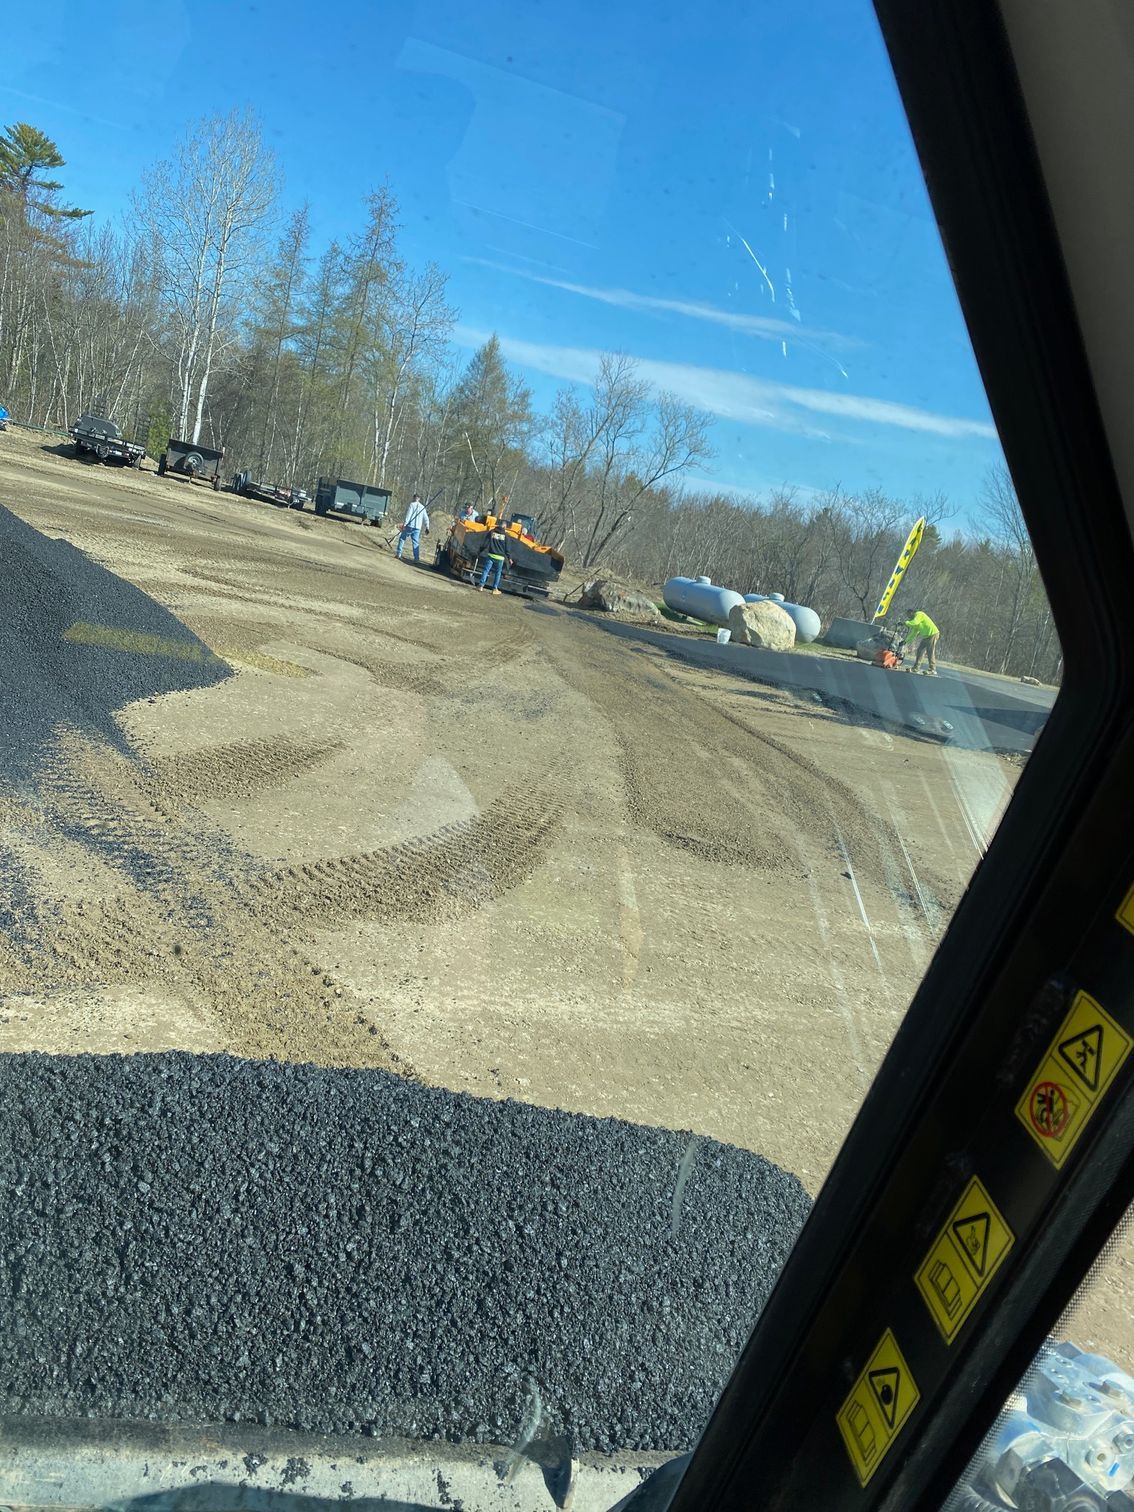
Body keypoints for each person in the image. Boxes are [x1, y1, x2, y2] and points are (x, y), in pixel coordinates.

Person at [903, 607, 940, 675]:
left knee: (930, 651)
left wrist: (905, 623)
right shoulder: (915, 621)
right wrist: (905, 641)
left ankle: (932, 669)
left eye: (908, 615)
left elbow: (915, 622)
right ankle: (916, 668)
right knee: (920, 650)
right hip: (926, 636)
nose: (908, 617)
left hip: (933, 634)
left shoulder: (919, 614)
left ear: (912, 612)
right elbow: (913, 634)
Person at [477, 518, 510, 595]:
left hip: (491, 555)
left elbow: (485, 543)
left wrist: (479, 551)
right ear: (505, 527)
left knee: (486, 570)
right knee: (498, 573)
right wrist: (509, 558)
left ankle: (481, 586)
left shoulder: (492, 532)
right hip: (500, 558)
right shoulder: (506, 535)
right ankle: (494, 589)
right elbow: (507, 548)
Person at [396, 493, 430, 562]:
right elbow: (426, 518)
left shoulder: (412, 505)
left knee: (402, 538)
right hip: (417, 528)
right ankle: (416, 558)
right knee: (415, 543)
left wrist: (404, 525)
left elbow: (408, 515)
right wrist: (427, 527)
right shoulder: (422, 507)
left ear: (414, 498)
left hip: (410, 526)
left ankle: (399, 554)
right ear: (419, 498)